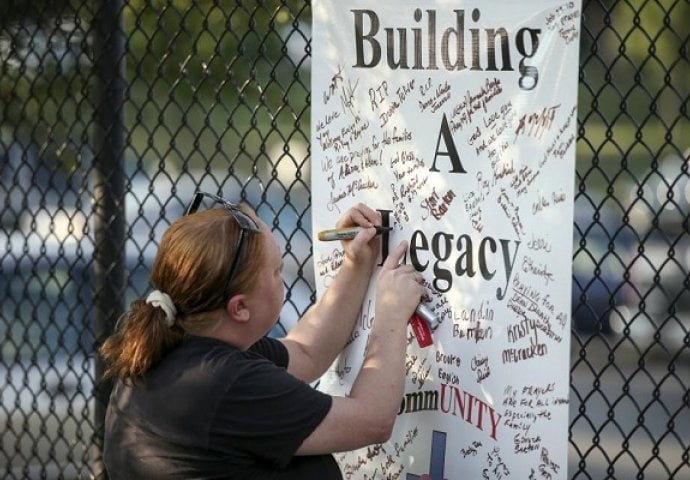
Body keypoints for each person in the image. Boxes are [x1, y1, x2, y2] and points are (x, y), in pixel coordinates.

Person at [99, 191, 424, 479]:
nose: (284, 276)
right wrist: (391, 315)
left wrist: (357, 262)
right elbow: (372, 420)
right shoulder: (225, 384)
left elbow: (306, 352)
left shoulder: (180, 347)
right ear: (239, 308)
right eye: (277, 270)